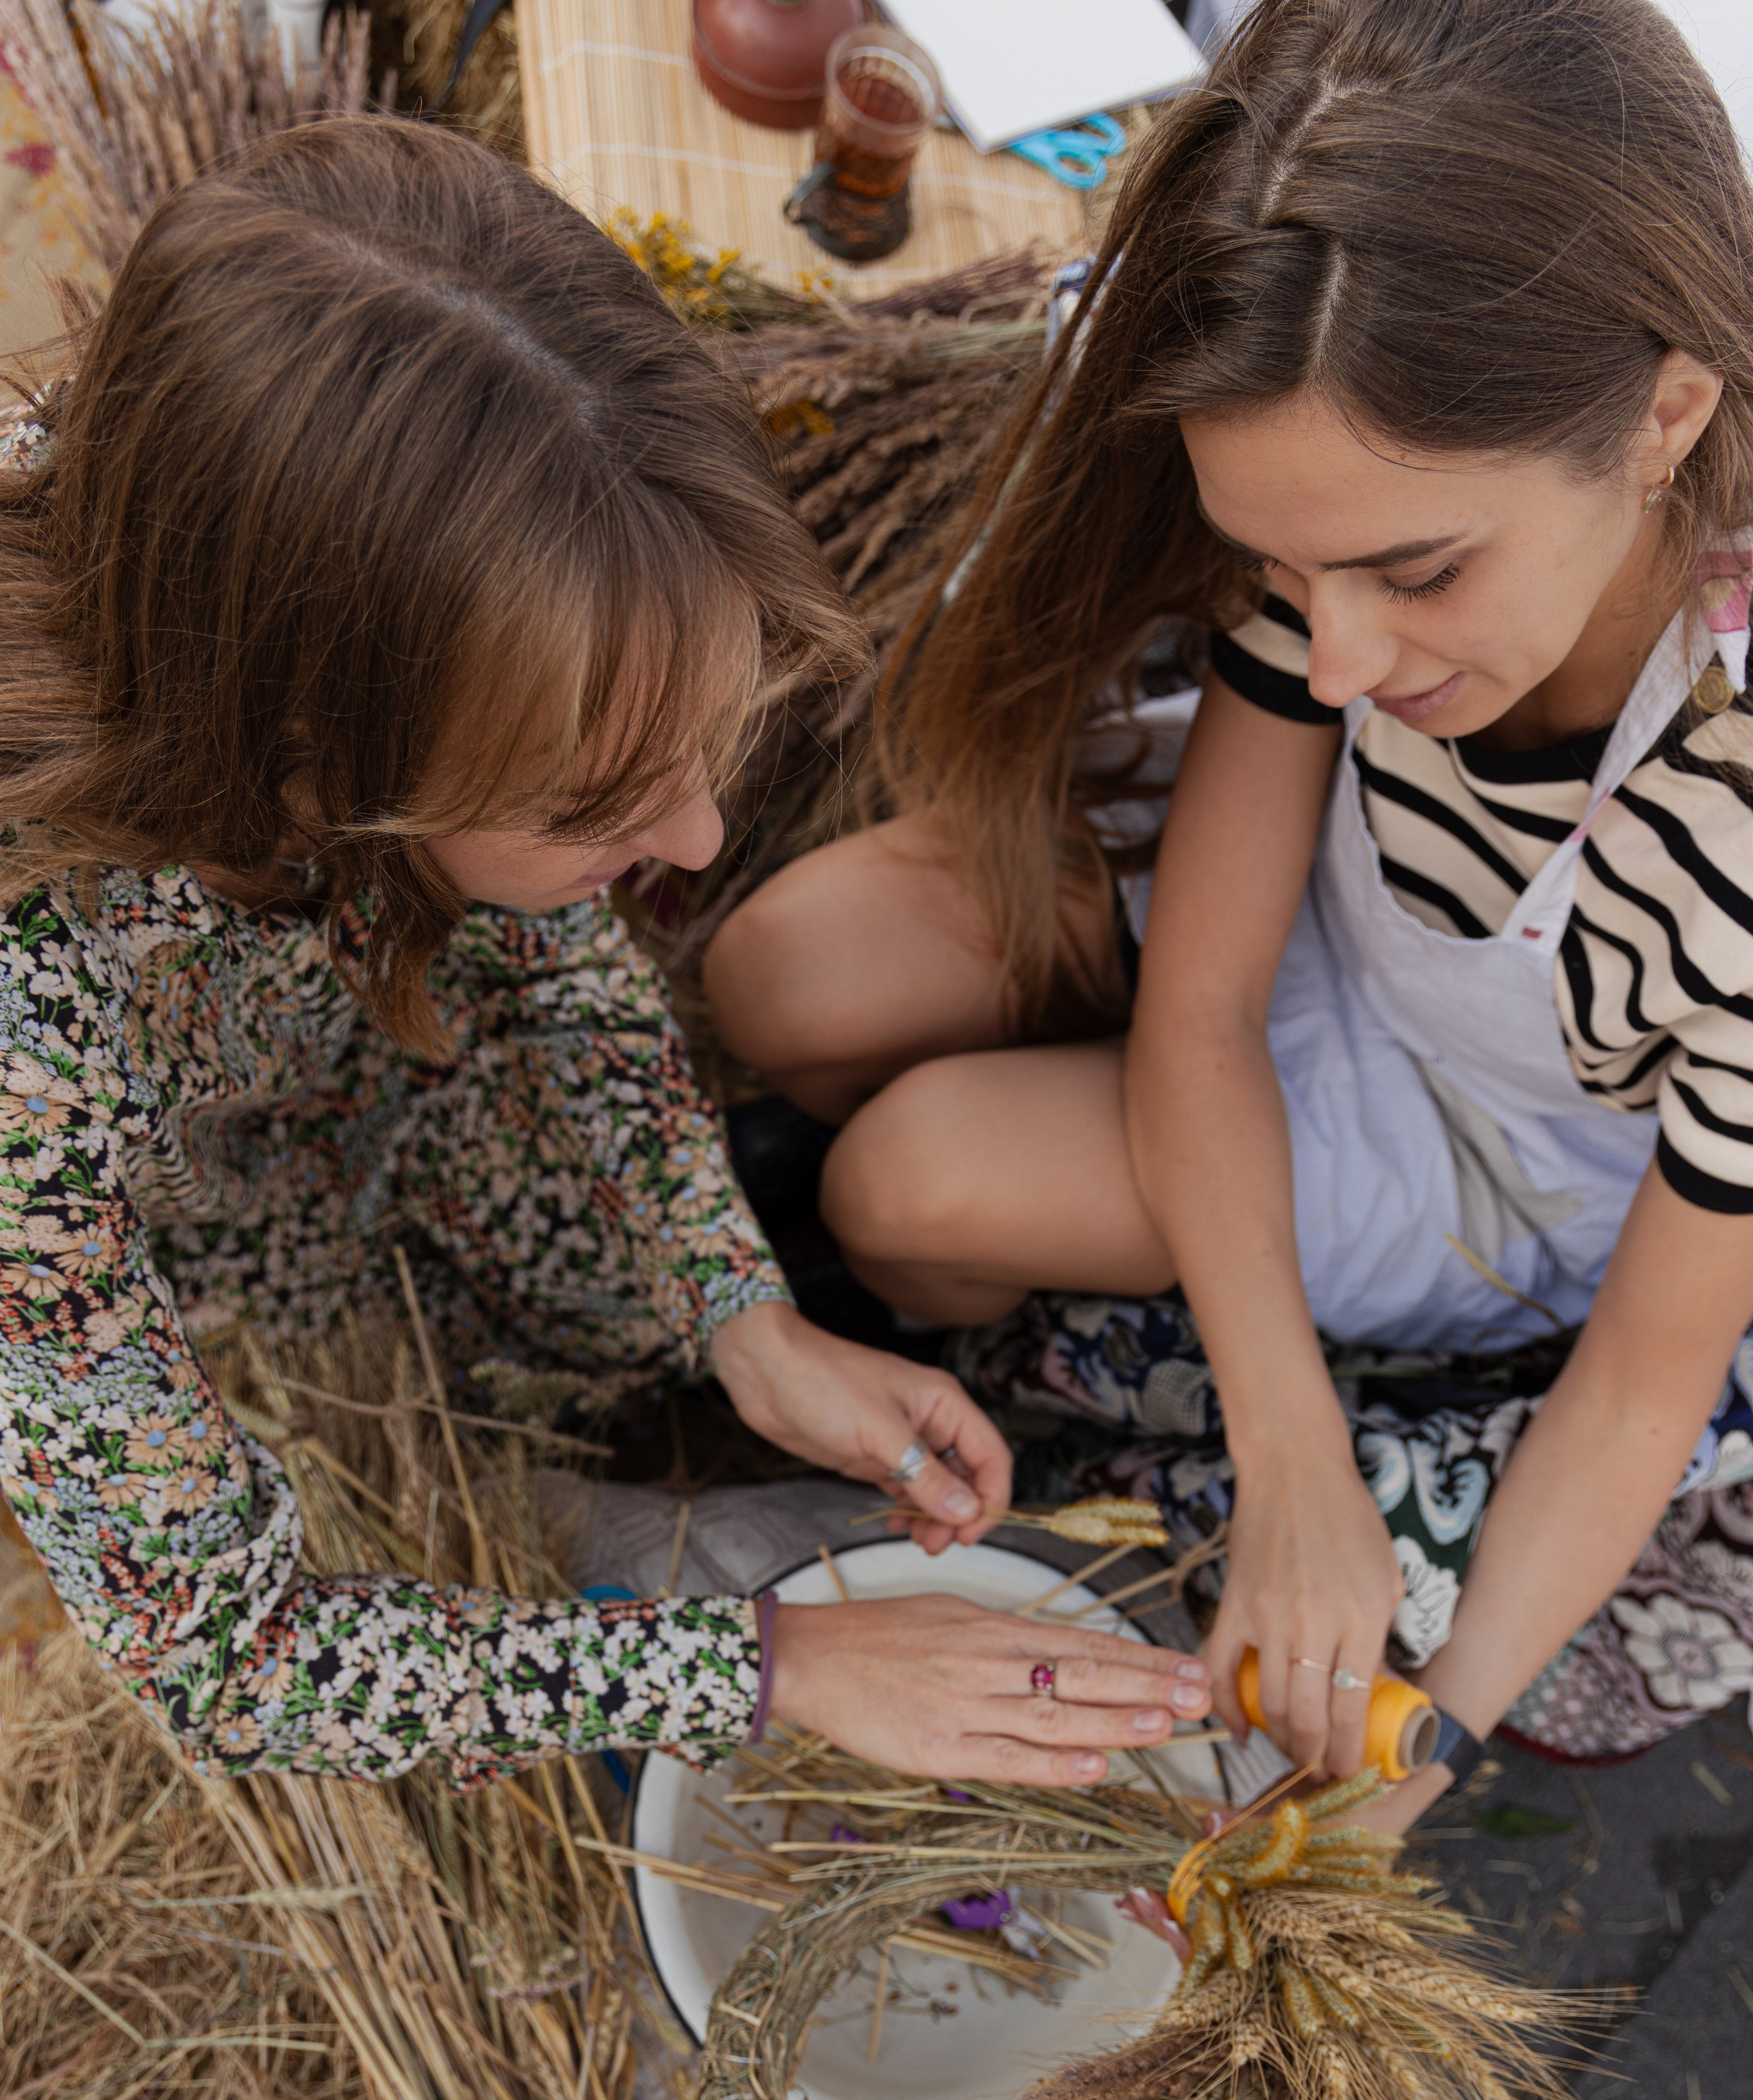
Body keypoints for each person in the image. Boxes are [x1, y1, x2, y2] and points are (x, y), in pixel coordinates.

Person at [0, 118, 1211, 1796]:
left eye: (695, 748)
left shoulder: (248, 556)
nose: (704, 845)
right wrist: (775, 1662)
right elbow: (233, 1656)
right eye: (596, 798)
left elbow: (557, 952)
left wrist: (736, 1311)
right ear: (314, 756)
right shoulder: (36, 1078)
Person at [704, 0, 1753, 1831]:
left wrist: (1431, 1738)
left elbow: (1641, 1386)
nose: (1336, 656)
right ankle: (1167, 1303)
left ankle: (1077, 1307)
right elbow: (1202, 1009)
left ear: (1669, 415)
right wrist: (1294, 1461)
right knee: (781, 972)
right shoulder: (1368, 513)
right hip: (1324, 937)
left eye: (1415, 573)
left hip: (1494, 1145)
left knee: (903, 1190)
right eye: (1283, 571)